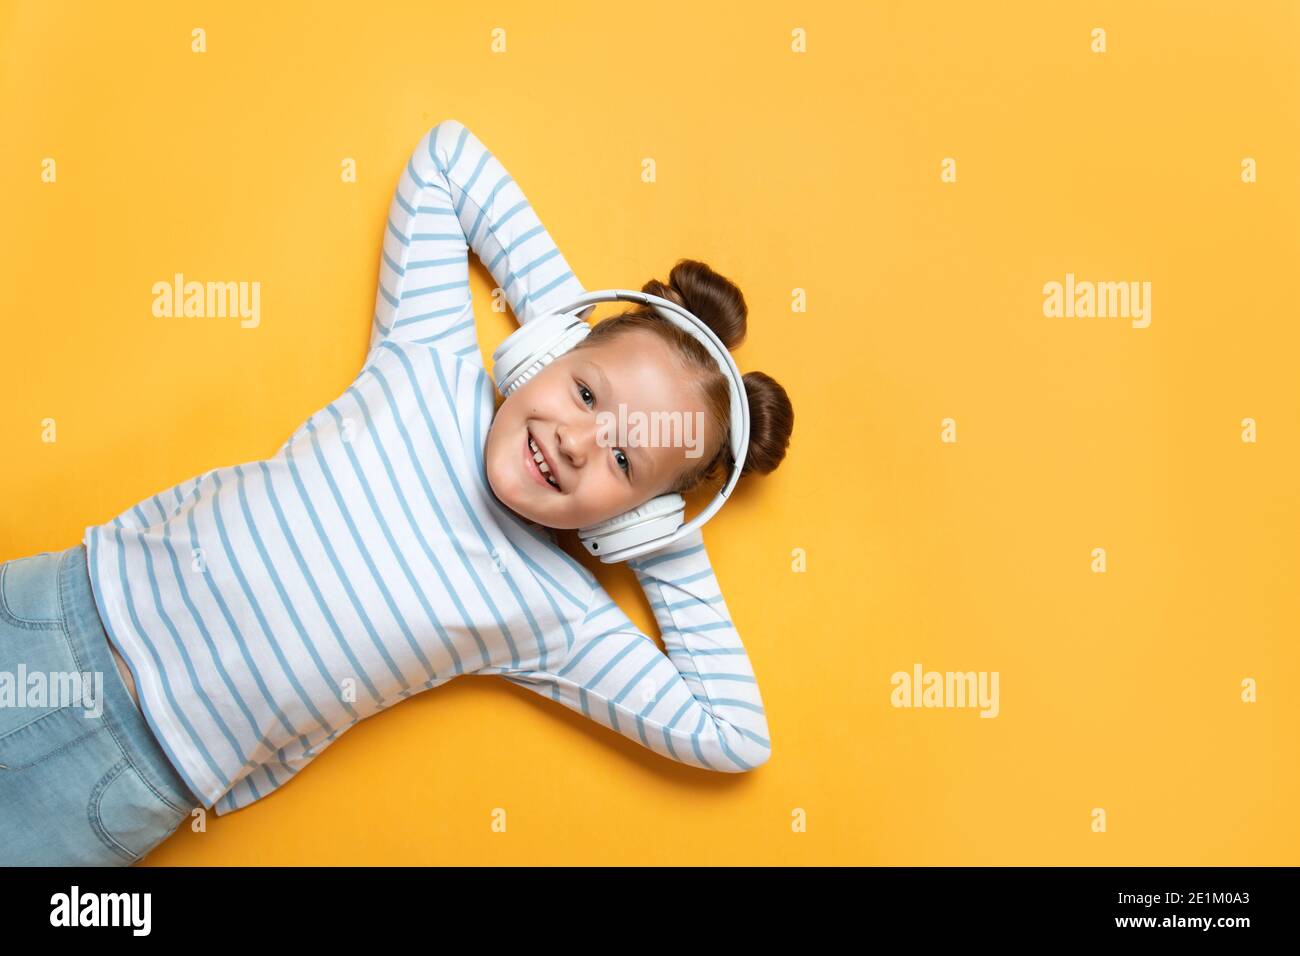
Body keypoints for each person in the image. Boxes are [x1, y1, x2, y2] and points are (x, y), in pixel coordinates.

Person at [0, 119, 794, 865]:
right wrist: (570, 335)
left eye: (624, 463)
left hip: (129, 783)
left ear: (635, 520)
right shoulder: (430, 357)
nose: (576, 442)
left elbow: (733, 733)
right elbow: (448, 160)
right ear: (546, 348)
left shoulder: (556, 613)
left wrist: (661, 538)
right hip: (52, 615)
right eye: (587, 394)